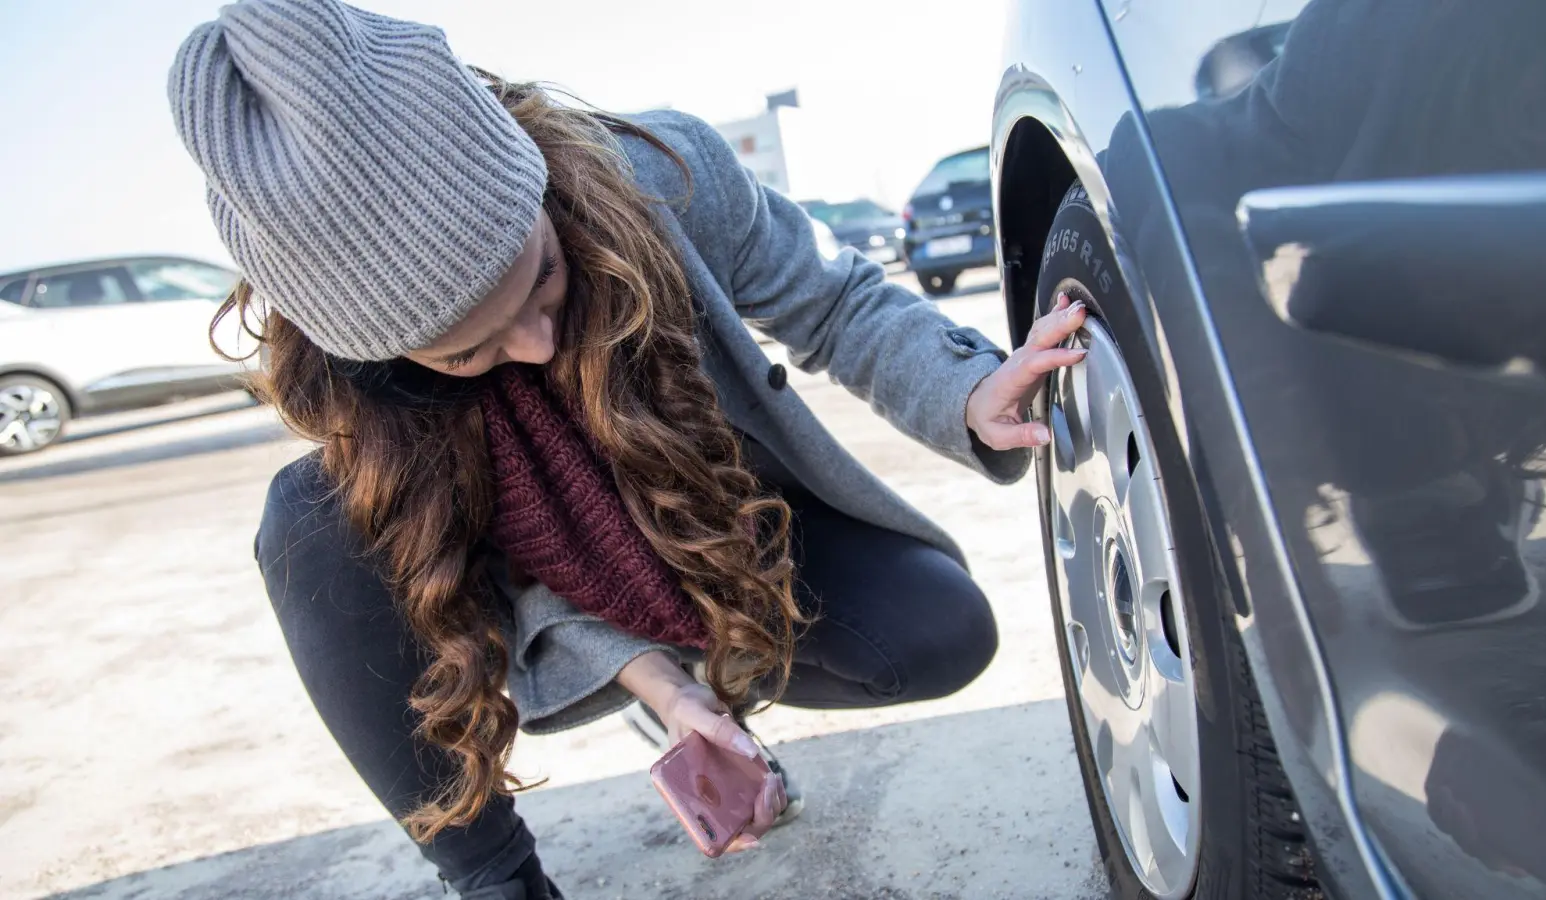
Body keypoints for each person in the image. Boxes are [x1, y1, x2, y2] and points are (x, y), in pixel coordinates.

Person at [167, 1, 1088, 897]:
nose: (533, 345)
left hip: (711, 511)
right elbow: (500, 568)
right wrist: (645, 676)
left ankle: (704, 651)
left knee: (937, 633)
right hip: (535, 590)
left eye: (543, 278)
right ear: (378, 356)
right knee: (305, 520)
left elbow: (831, 300)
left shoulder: (663, 172)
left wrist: (962, 387)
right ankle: (494, 877)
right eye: (467, 350)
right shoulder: (374, 408)